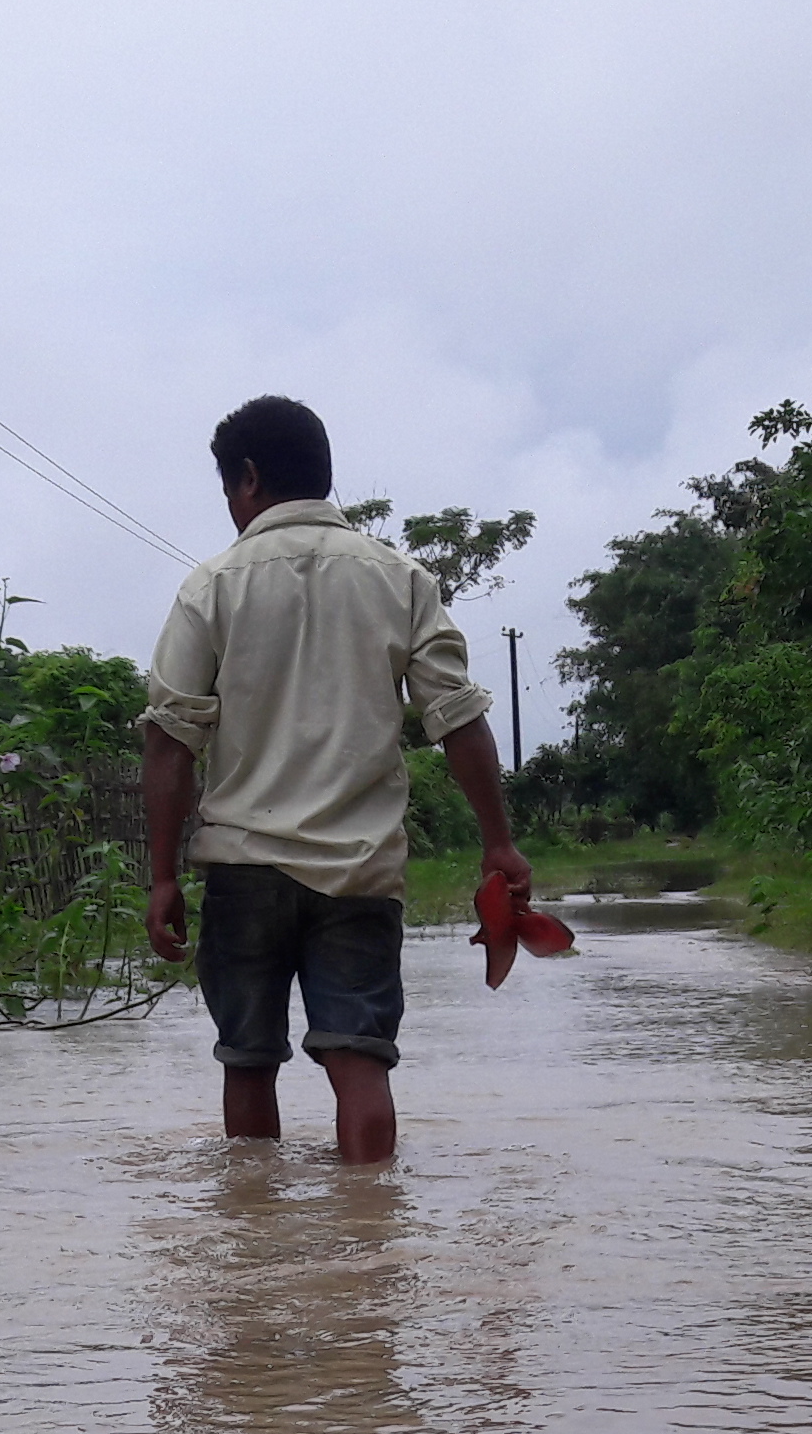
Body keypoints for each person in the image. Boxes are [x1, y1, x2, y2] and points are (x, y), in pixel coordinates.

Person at [140, 394, 535, 1164]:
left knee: (249, 1061)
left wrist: (162, 878)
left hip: (242, 869)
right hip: (358, 872)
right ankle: (370, 1248)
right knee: (360, 1062)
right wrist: (499, 844)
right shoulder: (401, 579)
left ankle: (258, 1246)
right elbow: (455, 718)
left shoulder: (211, 586)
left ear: (248, 479)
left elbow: (170, 743)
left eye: (228, 489)